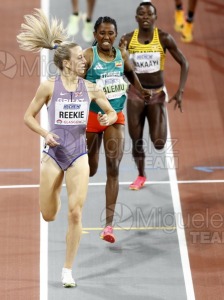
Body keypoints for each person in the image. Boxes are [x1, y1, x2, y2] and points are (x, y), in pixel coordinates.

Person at [17, 9, 117, 288]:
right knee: (49, 215)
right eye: (78, 60)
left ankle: (67, 270)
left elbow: (109, 112)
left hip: (78, 155)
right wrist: (45, 133)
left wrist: (108, 117)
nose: (84, 62)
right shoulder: (48, 87)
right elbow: (27, 117)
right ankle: (55, 194)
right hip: (53, 155)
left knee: (75, 213)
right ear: (65, 63)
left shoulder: (92, 88)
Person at [83, 16, 151, 243]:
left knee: (113, 167)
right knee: (91, 170)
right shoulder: (88, 56)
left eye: (110, 33)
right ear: (95, 35)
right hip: (92, 118)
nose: (106, 37)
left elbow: (130, 73)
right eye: (101, 33)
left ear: (115, 34)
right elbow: (74, 83)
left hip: (115, 117)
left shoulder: (121, 55)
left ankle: (108, 226)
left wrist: (141, 90)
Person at [119, 2, 189, 190]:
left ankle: (160, 115)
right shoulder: (127, 39)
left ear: (155, 18)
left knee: (159, 143)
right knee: (136, 139)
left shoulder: (164, 38)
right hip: (135, 94)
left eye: (149, 14)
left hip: (157, 95)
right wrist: (123, 55)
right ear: (136, 18)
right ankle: (141, 175)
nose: (145, 17)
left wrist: (180, 91)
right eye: (141, 14)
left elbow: (184, 63)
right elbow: (121, 70)